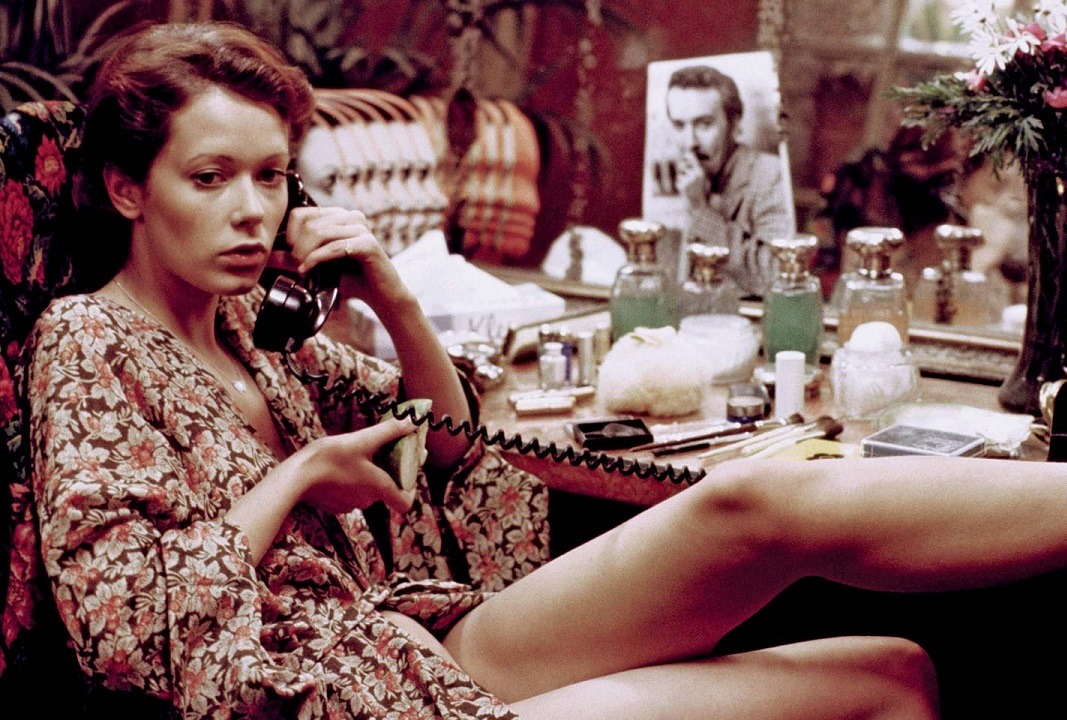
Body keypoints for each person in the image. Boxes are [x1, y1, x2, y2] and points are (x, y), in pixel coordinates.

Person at [23, 21, 942, 719]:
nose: (252, 212)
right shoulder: (87, 338)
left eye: (271, 177)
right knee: (876, 684)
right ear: (128, 188)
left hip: (401, 641)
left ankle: (1057, 506)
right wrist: (300, 472)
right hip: (310, 694)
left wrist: (394, 297)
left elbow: (446, 443)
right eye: (210, 177)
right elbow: (124, 630)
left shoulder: (257, 330)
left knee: (866, 628)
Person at [664, 64, 794, 296]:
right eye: (679, 125)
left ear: (734, 124)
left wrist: (700, 210)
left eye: (705, 124)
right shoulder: (685, 179)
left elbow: (775, 275)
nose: (689, 142)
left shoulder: (770, 174)